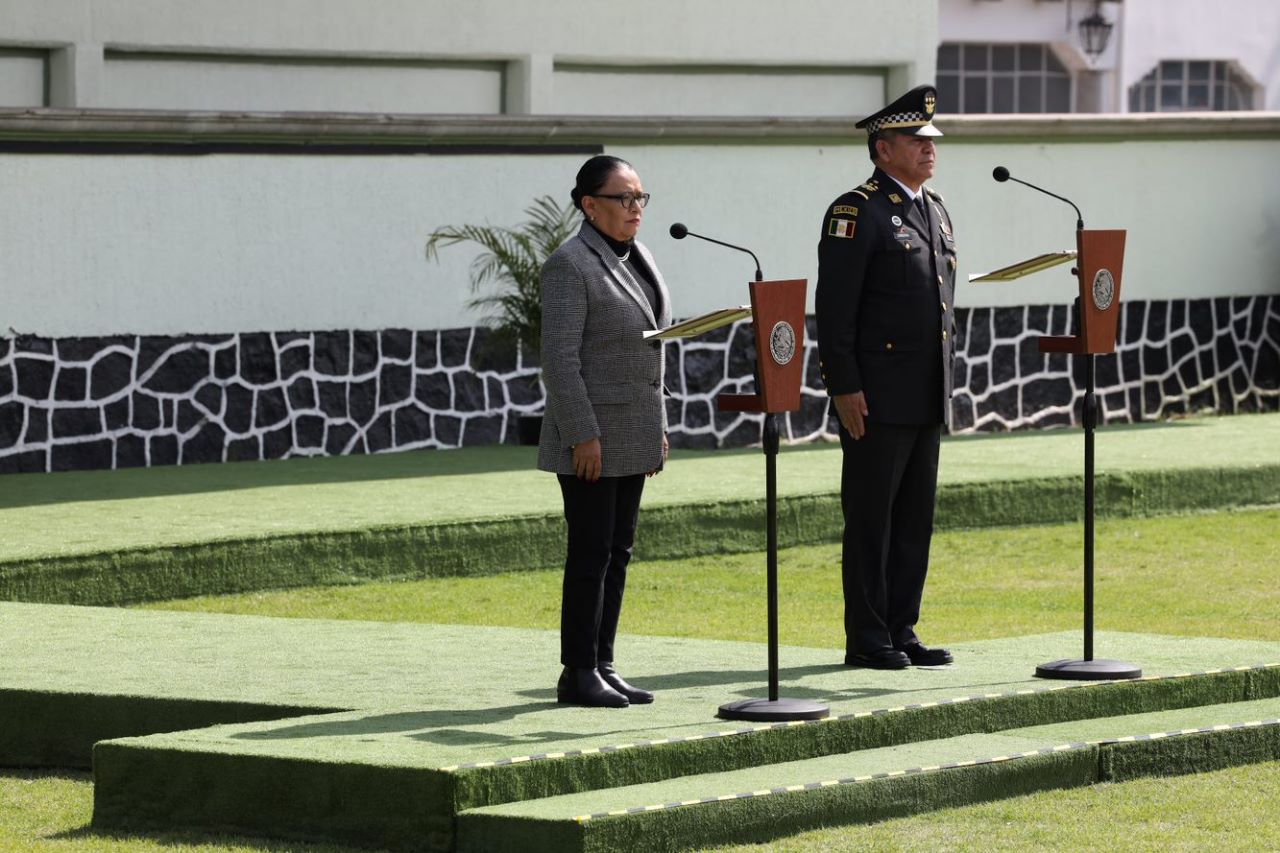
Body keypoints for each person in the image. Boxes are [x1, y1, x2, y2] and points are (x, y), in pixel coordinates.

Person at [814, 85, 958, 670]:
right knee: (872, 518)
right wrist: (843, 385)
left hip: (924, 391)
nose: (928, 149)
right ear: (882, 150)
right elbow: (837, 307)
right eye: (915, 140)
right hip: (874, 395)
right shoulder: (856, 210)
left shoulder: (935, 208)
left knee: (914, 519)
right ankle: (868, 636)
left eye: (931, 140)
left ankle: (903, 626)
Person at [538, 155, 672, 708]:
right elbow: (560, 361)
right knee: (591, 552)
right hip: (590, 438)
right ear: (589, 205)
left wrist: (657, 426)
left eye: (641, 197)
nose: (635, 208)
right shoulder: (570, 264)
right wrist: (582, 434)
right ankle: (577, 670)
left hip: (634, 430)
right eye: (624, 198)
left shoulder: (635, 255)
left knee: (619, 551)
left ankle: (604, 661)